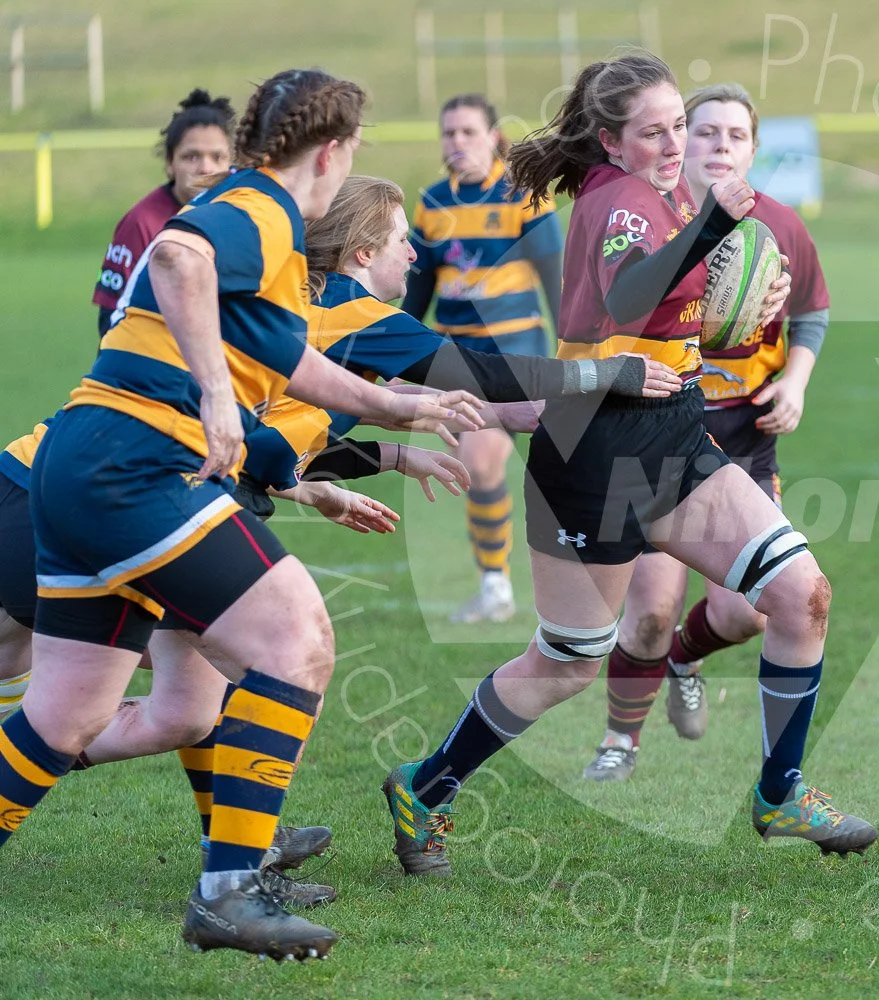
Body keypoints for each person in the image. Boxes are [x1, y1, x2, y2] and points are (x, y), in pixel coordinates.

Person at [0, 68, 484, 961]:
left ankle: (238, 864)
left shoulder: (275, 256)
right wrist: (221, 400)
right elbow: (178, 264)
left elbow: (293, 393)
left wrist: (381, 431)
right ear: (333, 153)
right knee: (291, 637)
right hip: (107, 469)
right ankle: (231, 883)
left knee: (78, 712)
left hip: (92, 466)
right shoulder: (261, 210)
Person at [380, 52, 877, 880]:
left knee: (799, 594)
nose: (676, 142)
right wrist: (714, 228)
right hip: (594, 451)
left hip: (676, 436)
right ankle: (426, 784)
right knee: (568, 662)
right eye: (655, 132)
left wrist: (738, 307)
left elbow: (674, 312)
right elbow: (628, 299)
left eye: (681, 125)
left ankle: (780, 790)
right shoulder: (618, 203)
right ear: (610, 141)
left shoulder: (667, 194)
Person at [584, 82, 831, 781]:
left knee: (749, 612)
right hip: (664, 436)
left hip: (745, 439)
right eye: (705, 132)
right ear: (680, 142)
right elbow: (615, 314)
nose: (719, 145)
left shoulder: (781, 225)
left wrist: (795, 380)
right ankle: (618, 744)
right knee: (651, 613)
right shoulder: (647, 222)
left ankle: (686, 660)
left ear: (753, 149)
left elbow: (812, 310)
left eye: (735, 135)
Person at [404, 94, 564, 625]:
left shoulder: (524, 193)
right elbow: (418, 289)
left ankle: (589, 572)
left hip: (521, 352)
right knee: (481, 464)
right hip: (461, 356)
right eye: (448, 133)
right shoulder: (430, 202)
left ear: (493, 137)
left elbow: (554, 278)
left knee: (561, 467)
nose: (457, 143)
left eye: (468, 132)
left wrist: (572, 348)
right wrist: (394, 350)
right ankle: (495, 585)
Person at [92, 89, 235, 336]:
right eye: (191, 157)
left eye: (217, 157)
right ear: (170, 163)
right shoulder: (142, 222)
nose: (205, 168)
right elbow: (110, 320)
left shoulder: (240, 217)